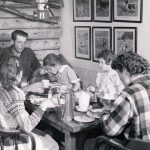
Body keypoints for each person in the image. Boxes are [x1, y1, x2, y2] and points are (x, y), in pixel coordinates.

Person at [84, 51, 150, 150]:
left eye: (119, 74)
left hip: (136, 147)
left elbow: (110, 130)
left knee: (88, 142)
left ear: (125, 72)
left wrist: (104, 112)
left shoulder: (129, 93)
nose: (120, 79)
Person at [0, 57, 59, 150]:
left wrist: (27, 89)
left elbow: (10, 100)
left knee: (46, 133)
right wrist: (44, 105)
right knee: (53, 144)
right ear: (18, 75)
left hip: (3, 135)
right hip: (12, 139)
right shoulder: (15, 96)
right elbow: (27, 126)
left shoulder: (2, 88)